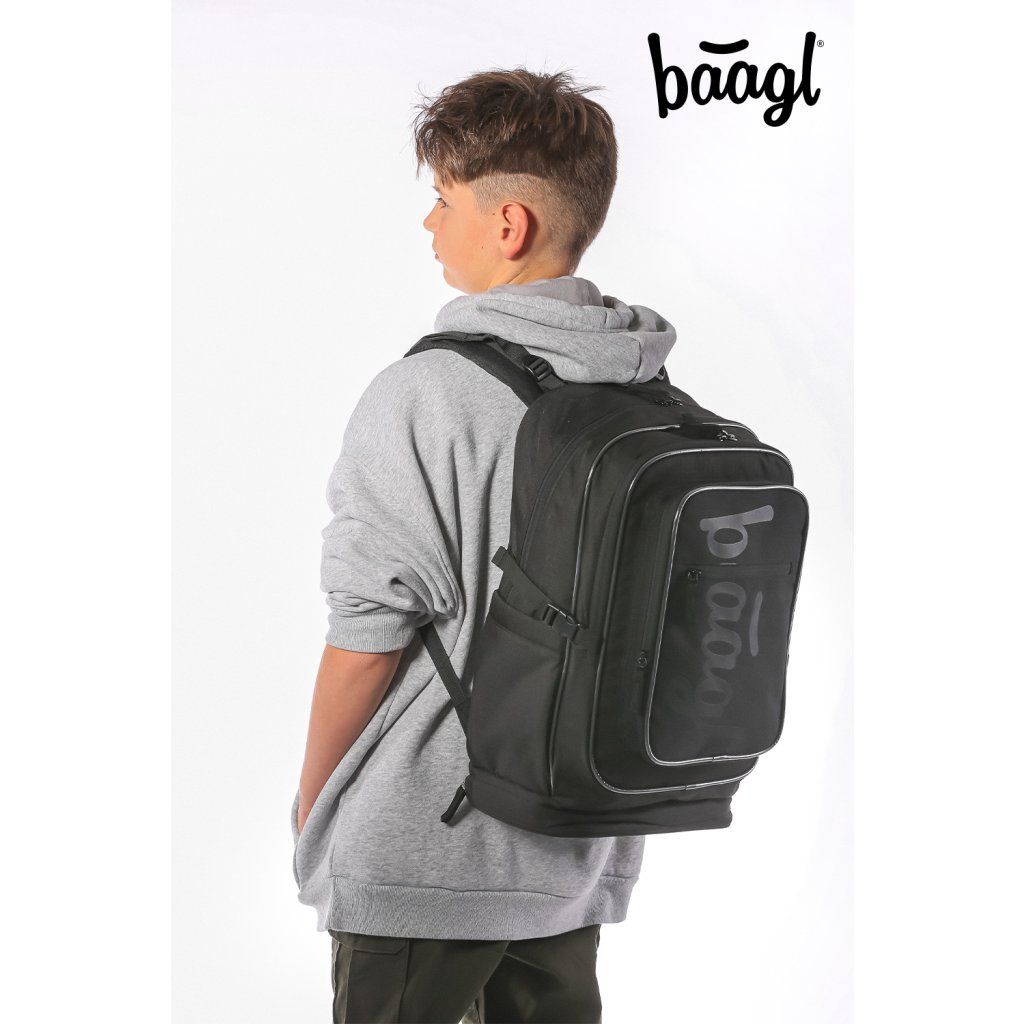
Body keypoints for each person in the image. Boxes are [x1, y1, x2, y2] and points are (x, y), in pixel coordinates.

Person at [292, 67, 678, 1023]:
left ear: (508, 224)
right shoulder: (645, 396)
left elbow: (367, 633)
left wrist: (315, 802)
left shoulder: (426, 394)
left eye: (443, 198)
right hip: (576, 838)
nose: (430, 223)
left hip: (426, 849)